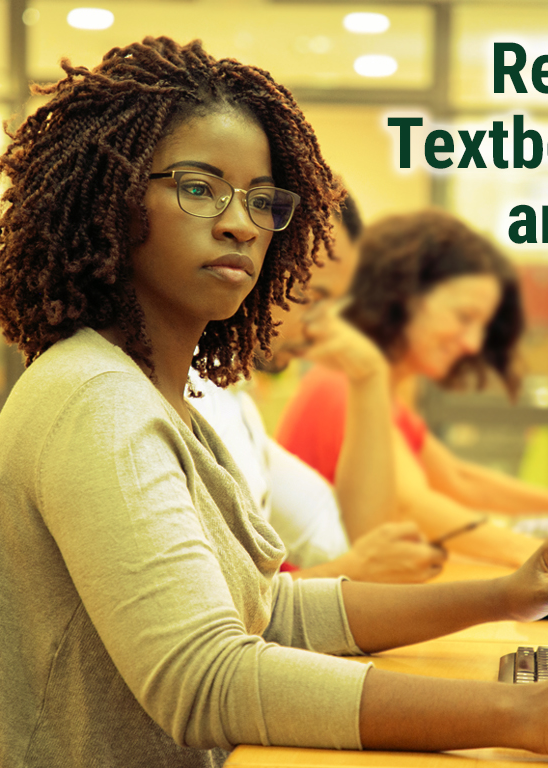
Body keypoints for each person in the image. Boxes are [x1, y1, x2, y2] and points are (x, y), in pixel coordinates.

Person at [0, 37, 548, 768]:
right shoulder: (96, 402)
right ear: (111, 199)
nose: (241, 225)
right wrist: (521, 711)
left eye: (263, 202)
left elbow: (268, 613)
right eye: (201, 189)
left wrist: (502, 596)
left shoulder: (162, 399)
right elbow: (208, 678)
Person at [276, 209, 548, 567]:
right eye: (464, 317)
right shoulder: (342, 385)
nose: (473, 343)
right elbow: (411, 506)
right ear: (404, 295)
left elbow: (461, 479)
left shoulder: (379, 392)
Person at [189, 196, 445, 582]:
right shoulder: (182, 398)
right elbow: (204, 610)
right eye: (312, 298)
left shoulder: (235, 407)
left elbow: (349, 543)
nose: (321, 328)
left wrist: (368, 376)